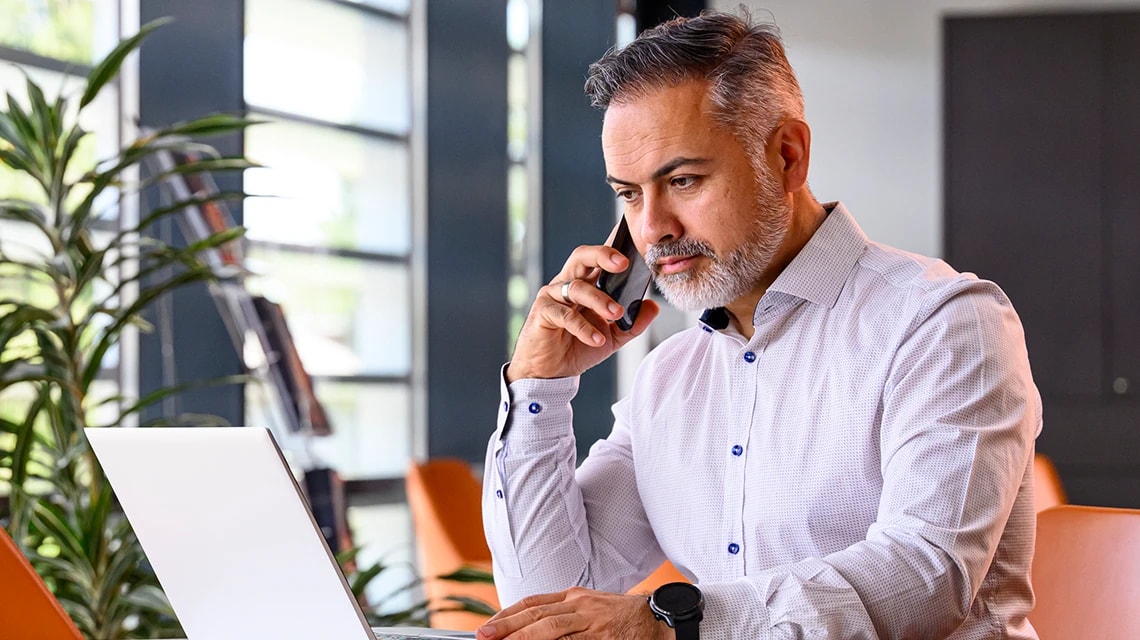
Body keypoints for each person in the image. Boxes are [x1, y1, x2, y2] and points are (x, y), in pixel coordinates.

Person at [477, 10, 1041, 640]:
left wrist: (674, 626)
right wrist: (538, 385)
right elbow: (545, 599)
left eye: (683, 180)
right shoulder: (668, 379)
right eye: (630, 194)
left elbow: (926, 575)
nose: (653, 229)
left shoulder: (944, 324)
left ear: (787, 156)